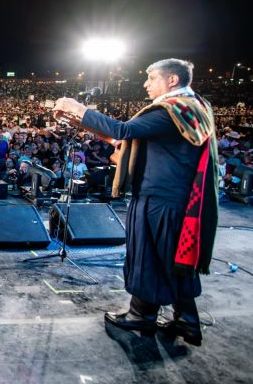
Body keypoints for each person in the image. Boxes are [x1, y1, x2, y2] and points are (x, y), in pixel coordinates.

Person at [54, 58, 217, 346]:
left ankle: (141, 315)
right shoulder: (194, 108)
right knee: (173, 258)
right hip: (177, 196)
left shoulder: (172, 110)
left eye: (151, 78)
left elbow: (125, 131)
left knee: (148, 254)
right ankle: (186, 321)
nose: (146, 83)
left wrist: (81, 109)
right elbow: (133, 139)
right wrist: (82, 122)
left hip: (159, 197)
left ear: (172, 81)